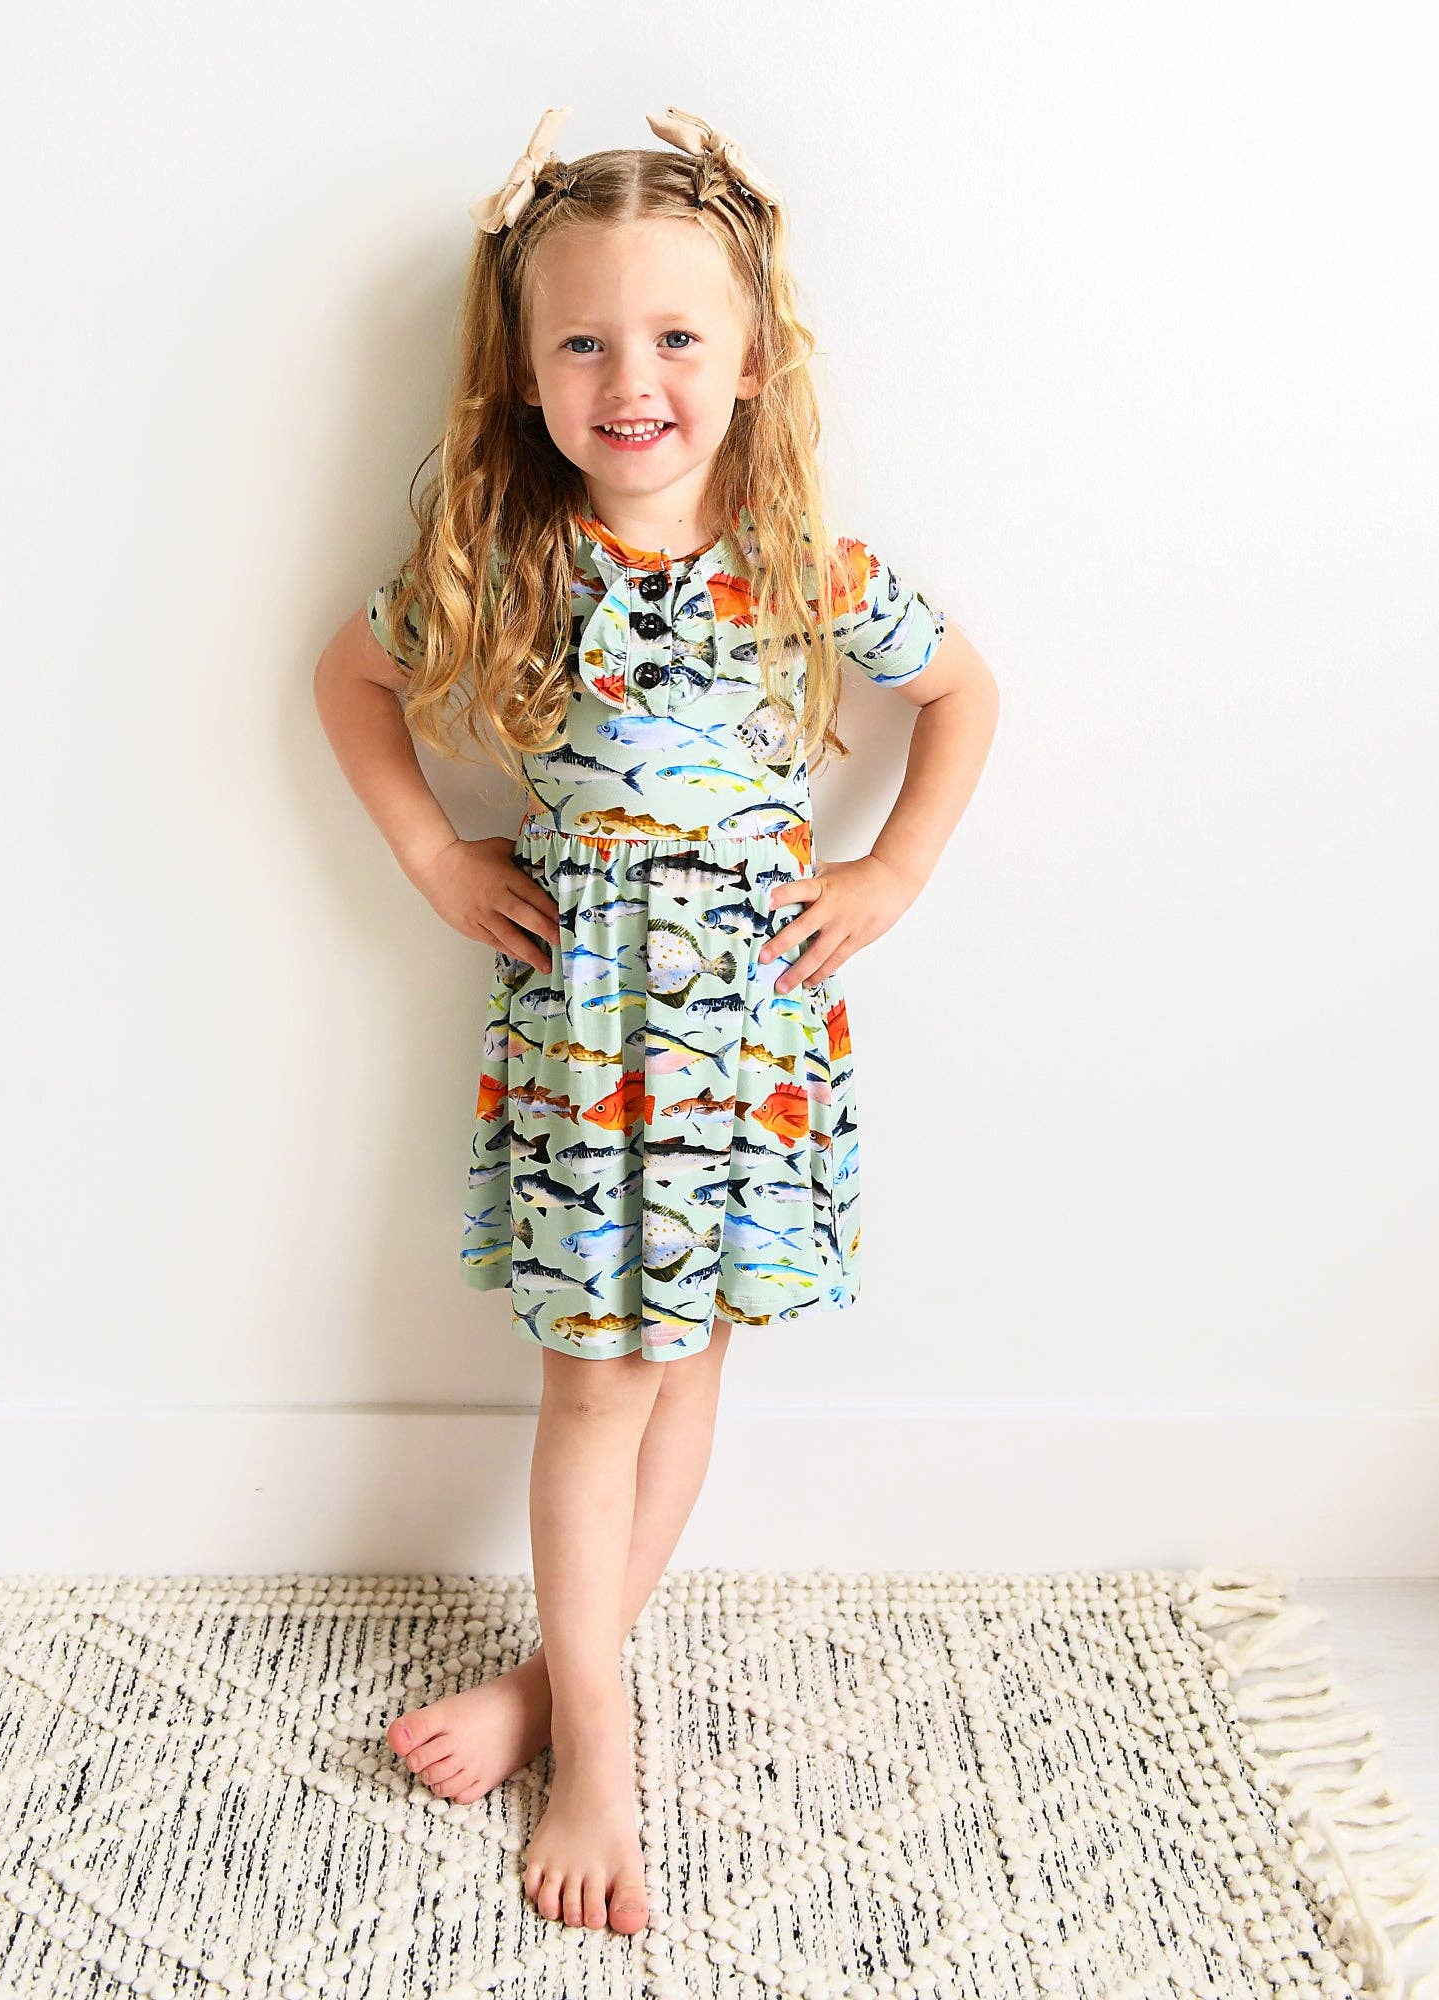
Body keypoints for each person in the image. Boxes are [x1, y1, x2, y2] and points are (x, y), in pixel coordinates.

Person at [312, 104, 999, 1939]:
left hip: (746, 1048)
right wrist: (431, 854)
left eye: (679, 335)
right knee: (597, 1383)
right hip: (592, 1046)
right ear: (526, 372)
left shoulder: (805, 563)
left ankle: (553, 1689)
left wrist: (893, 871)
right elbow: (352, 679)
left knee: (684, 1366)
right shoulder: (508, 562)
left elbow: (964, 693)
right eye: (586, 341)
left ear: (752, 359)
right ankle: (598, 1748)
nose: (634, 380)